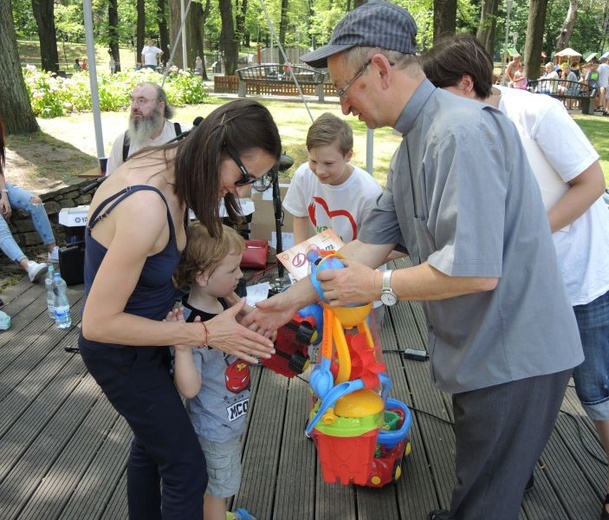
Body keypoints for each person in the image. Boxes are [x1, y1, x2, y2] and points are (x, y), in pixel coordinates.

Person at [246, 3, 584, 519]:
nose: (344, 105)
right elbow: (362, 248)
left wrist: (376, 286)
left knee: (490, 496)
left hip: (514, 353)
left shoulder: (460, 132)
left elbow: (473, 270)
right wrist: (284, 305)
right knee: (478, 475)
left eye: (345, 88)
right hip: (477, 350)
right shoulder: (412, 148)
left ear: (379, 68)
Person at [422, 33, 609, 520]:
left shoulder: (537, 113)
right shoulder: (458, 129)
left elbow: (593, 183)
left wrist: (529, 234)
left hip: (582, 275)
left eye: (437, 92)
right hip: (523, 283)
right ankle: (514, 471)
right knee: (521, 381)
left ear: (467, 83)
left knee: (595, 384)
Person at [77, 98, 281, 520]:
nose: (243, 193)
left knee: (152, 447)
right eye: (245, 178)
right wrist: (203, 334)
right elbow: (96, 324)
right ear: (217, 149)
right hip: (121, 352)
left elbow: (167, 276)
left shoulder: (177, 169)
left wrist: (231, 309)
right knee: (187, 468)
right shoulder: (146, 205)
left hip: (155, 337)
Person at [171, 222, 257, 520]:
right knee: (217, 492)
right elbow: (189, 388)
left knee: (219, 485)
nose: (240, 275)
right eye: (232, 270)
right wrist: (182, 346)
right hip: (212, 428)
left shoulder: (221, 303)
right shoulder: (192, 325)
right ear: (203, 276)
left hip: (227, 420)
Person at [282, 111, 387, 326]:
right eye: (313, 160)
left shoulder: (369, 193)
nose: (319, 170)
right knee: (322, 343)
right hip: (322, 276)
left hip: (361, 287)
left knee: (361, 351)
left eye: (329, 163)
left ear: (349, 155)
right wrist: (300, 264)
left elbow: (381, 247)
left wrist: (337, 267)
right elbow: (300, 216)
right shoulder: (304, 175)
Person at [0, 116, 58, 283]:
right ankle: (28, 266)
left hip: (1, 187)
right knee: (1, 227)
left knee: (35, 202)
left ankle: (52, 250)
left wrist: (4, 195)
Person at [106, 82, 183, 175]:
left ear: (161, 106)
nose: (134, 107)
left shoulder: (182, 137)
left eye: (141, 100)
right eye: (132, 100)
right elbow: (110, 183)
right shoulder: (123, 143)